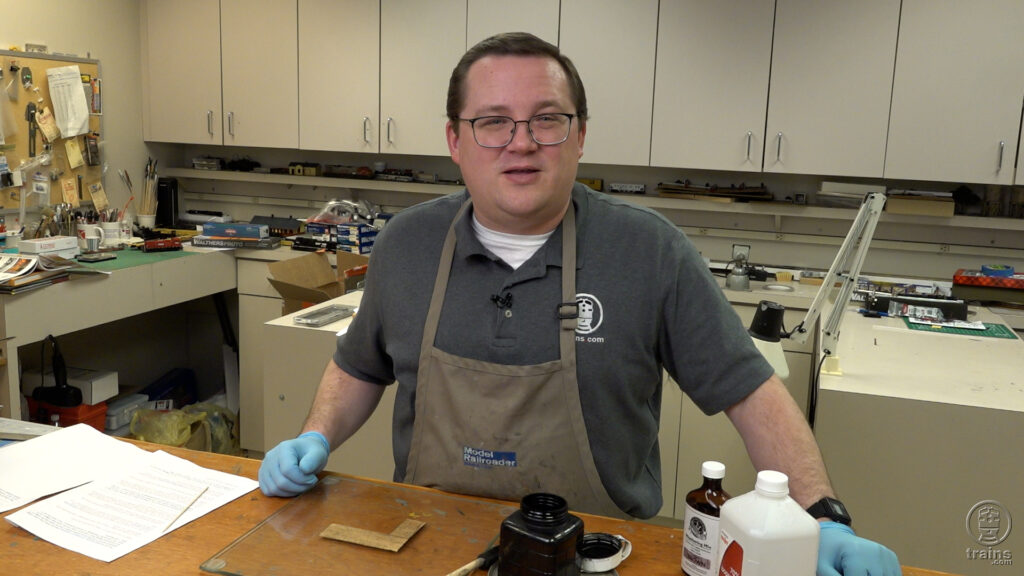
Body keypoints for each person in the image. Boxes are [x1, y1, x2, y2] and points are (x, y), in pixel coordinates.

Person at [259, 32, 900, 575]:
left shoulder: (648, 251)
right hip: (434, 543)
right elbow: (359, 366)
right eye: (492, 122)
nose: (521, 142)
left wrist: (822, 518)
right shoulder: (407, 244)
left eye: (546, 119)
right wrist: (313, 437)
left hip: (599, 554)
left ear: (580, 134)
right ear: (455, 139)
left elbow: (752, 393)